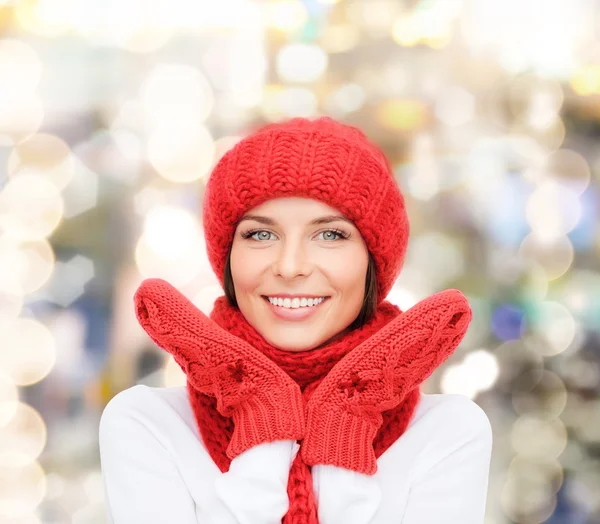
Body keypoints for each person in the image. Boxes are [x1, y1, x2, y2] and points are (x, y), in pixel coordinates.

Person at [99, 116, 493, 523]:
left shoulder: (446, 433)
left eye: (330, 235)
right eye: (260, 234)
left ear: (372, 261)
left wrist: (346, 424)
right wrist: (260, 411)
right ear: (229, 257)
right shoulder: (149, 425)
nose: (290, 267)